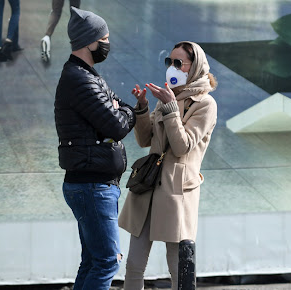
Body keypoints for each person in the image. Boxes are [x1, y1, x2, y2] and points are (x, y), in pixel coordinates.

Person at [118, 41, 218, 290]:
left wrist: (172, 107)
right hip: (148, 187)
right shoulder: (166, 100)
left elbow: (182, 146)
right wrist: (142, 108)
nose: (171, 68)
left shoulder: (205, 104)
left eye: (178, 63)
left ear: (193, 67)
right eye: (169, 62)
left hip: (177, 193)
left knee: (178, 266)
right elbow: (144, 140)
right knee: (134, 264)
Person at [54, 7, 136, 290]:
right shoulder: (81, 80)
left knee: (93, 260)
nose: (107, 44)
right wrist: (128, 112)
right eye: (105, 38)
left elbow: (120, 105)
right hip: (92, 186)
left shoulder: (88, 76)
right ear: (90, 42)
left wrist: (121, 108)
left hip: (94, 184)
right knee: (107, 261)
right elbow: (117, 125)